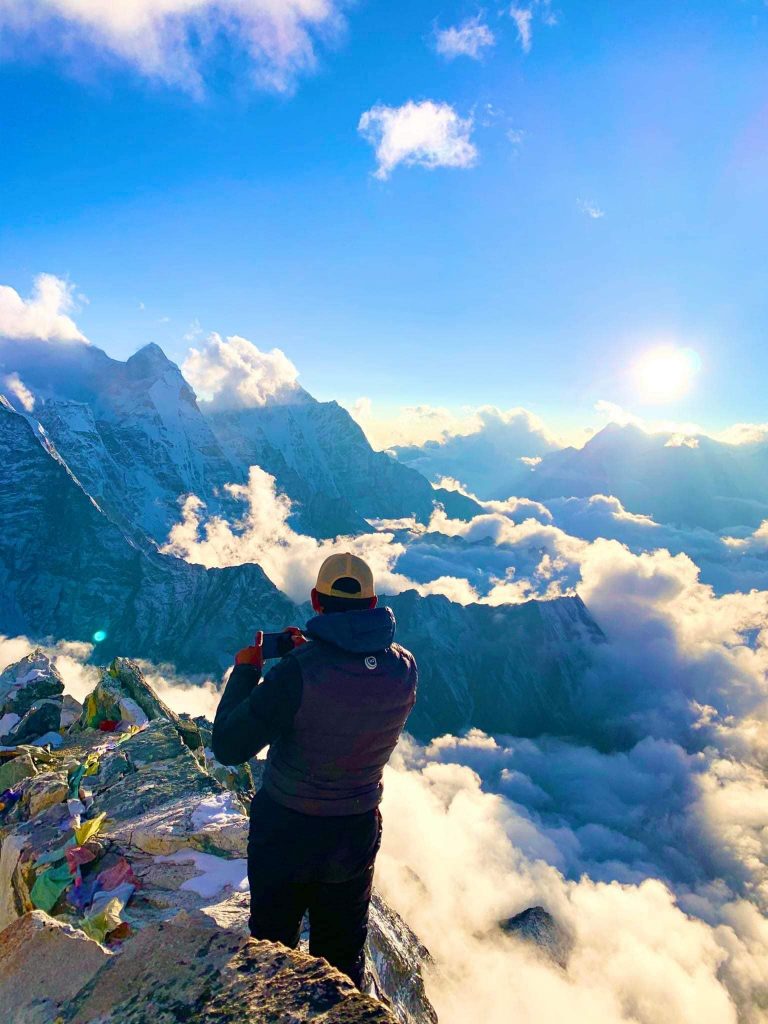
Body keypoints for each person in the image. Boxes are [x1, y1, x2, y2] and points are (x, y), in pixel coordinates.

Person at [212, 552, 418, 990]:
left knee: (273, 952)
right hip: (354, 832)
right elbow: (351, 691)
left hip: (285, 831)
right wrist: (317, 651)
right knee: (342, 956)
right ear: (373, 603)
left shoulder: (297, 674)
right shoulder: (404, 669)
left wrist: (246, 672)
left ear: (315, 600)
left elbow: (229, 745)